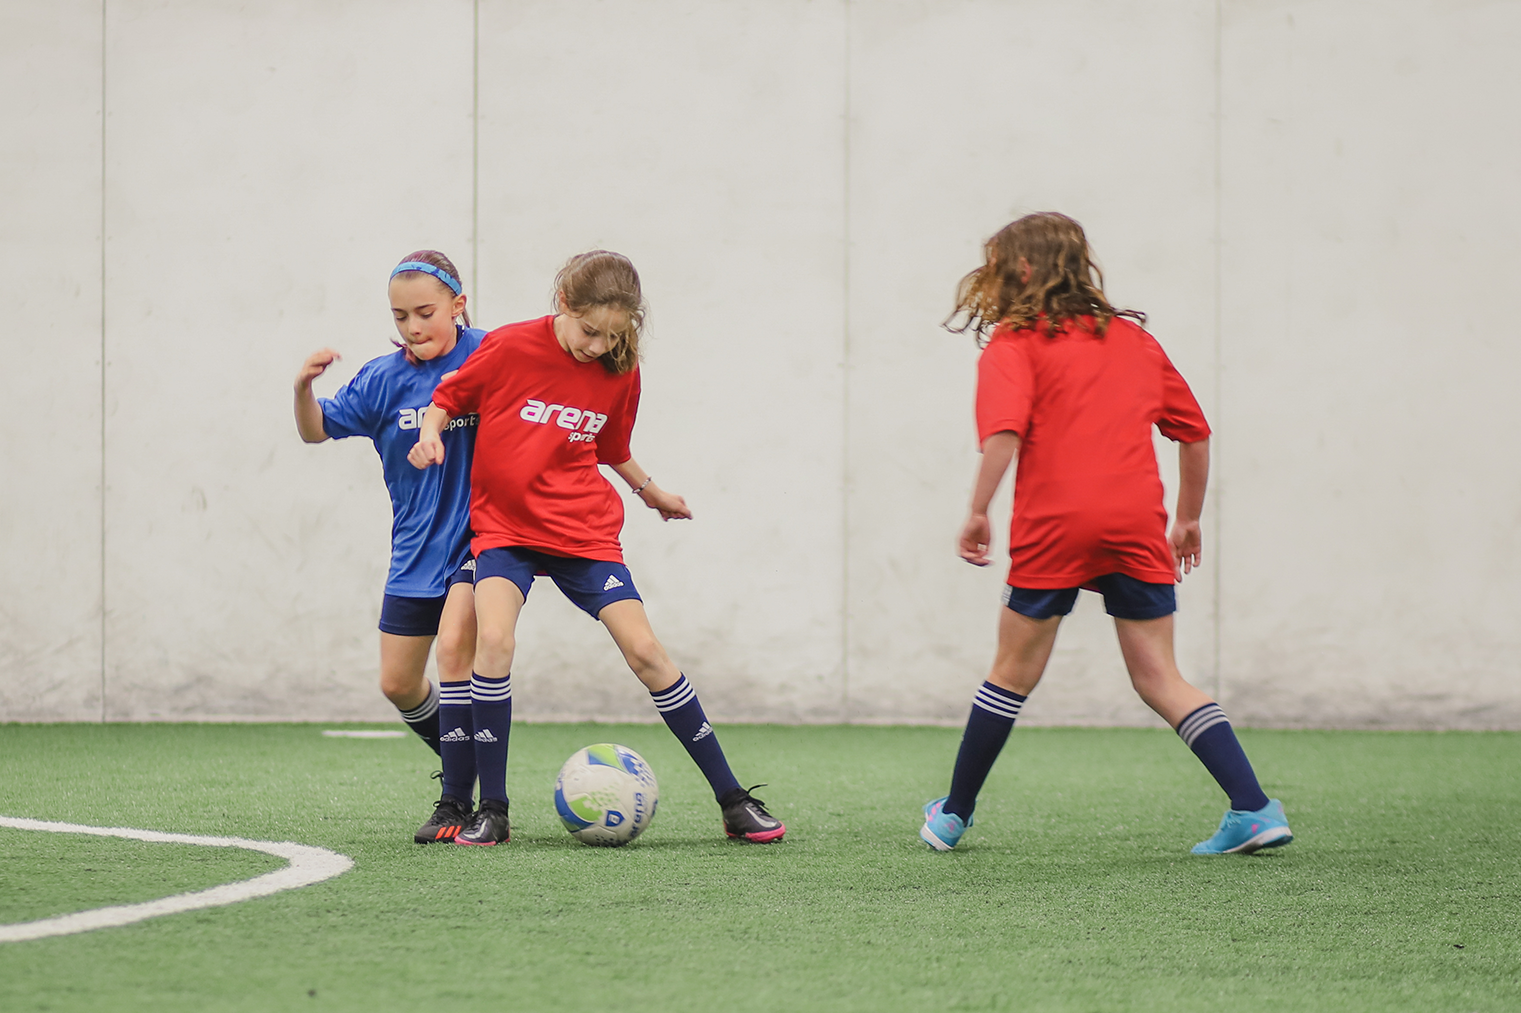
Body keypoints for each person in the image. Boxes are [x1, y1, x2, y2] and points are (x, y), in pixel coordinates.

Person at [920, 213, 1292, 856]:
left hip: (1055, 528)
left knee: (1010, 674)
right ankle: (1254, 808)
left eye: (999, 264)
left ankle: (952, 815)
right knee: (1160, 677)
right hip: (1134, 527)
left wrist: (978, 510)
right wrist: (1188, 518)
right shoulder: (1134, 342)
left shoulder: (1013, 345)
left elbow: (1004, 433)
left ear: (1025, 270)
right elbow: (1195, 433)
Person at [408, 250, 785, 847]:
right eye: (589, 331)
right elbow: (447, 400)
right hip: (505, 531)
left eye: (613, 335)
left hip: (583, 532)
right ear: (564, 305)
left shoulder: (620, 368)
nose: (597, 346)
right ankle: (494, 809)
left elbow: (610, 446)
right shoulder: (509, 347)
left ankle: (734, 800)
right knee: (495, 640)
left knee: (647, 653)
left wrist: (651, 491)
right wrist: (429, 436)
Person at [293, 250, 486, 844]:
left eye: (425, 312)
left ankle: (457, 799)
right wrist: (302, 387)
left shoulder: (490, 355)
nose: (412, 327)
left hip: (480, 545)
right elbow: (314, 429)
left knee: (454, 653)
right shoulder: (383, 378)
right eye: (400, 316)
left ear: (458, 305)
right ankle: (468, 761)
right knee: (399, 684)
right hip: (413, 552)